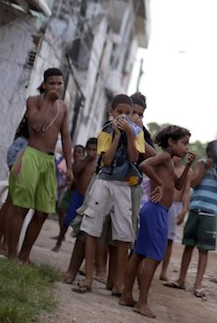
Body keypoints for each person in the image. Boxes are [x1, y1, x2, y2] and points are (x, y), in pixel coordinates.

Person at [119, 125, 196, 319]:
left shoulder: (169, 161)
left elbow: (178, 185)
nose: (186, 148)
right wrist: (159, 184)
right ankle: (142, 302)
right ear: (171, 142)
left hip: (155, 211)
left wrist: (187, 166)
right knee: (153, 257)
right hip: (156, 211)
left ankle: (127, 295)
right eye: (184, 143)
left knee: (139, 254)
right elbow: (145, 166)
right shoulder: (164, 157)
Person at [72, 93, 145, 295]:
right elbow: (106, 161)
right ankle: (88, 279)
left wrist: (129, 134)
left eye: (127, 113)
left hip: (124, 186)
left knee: (124, 234)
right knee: (92, 228)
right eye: (119, 112)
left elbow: (133, 157)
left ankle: (119, 284)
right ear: (111, 112)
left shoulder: (137, 132)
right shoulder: (106, 130)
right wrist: (117, 137)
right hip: (104, 182)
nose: (123, 116)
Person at [6, 67, 74, 263]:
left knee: (43, 211)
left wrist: (69, 167)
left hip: (49, 162)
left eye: (59, 83)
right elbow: (35, 125)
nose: (56, 87)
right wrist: (48, 102)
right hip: (30, 157)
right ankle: (11, 255)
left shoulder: (64, 107)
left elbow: (67, 138)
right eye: (51, 83)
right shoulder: (33, 101)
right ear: (44, 85)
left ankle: (24, 255)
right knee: (21, 208)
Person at [164, 140, 217, 297]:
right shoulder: (201, 163)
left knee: (204, 249)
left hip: (210, 212)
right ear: (208, 153)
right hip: (196, 209)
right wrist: (204, 169)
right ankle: (181, 280)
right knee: (188, 245)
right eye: (211, 154)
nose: (213, 157)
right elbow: (193, 184)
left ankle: (198, 284)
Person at [0, 113, 29, 254]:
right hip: (25, 149)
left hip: (18, 144)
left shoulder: (34, 104)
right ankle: (4, 244)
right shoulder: (41, 104)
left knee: (11, 200)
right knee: (14, 201)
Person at [53, 141, 96, 252]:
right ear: (86, 150)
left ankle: (78, 250)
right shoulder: (82, 161)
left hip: (88, 199)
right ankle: (59, 242)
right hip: (76, 195)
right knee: (66, 220)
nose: (92, 152)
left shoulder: (97, 164)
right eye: (90, 149)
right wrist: (86, 159)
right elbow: (75, 171)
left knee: (84, 226)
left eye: (94, 150)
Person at [157, 158, 189, 282]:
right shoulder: (165, 166)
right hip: (162, 202)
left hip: (176, 205)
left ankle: (164, 270)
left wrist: (184, 209)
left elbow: (186, 192)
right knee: (156, 236)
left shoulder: (186, 171)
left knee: (169, 240)